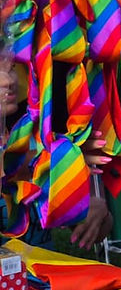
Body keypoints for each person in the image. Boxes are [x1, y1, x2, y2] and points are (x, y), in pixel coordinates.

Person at [0, 62, 113, 249]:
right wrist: (54, 160)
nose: (8, 80)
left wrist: (97, 211)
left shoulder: (34, 137)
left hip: (41, 266)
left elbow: (98, 232)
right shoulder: (50, 151)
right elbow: (10, 168)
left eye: (10, 68)